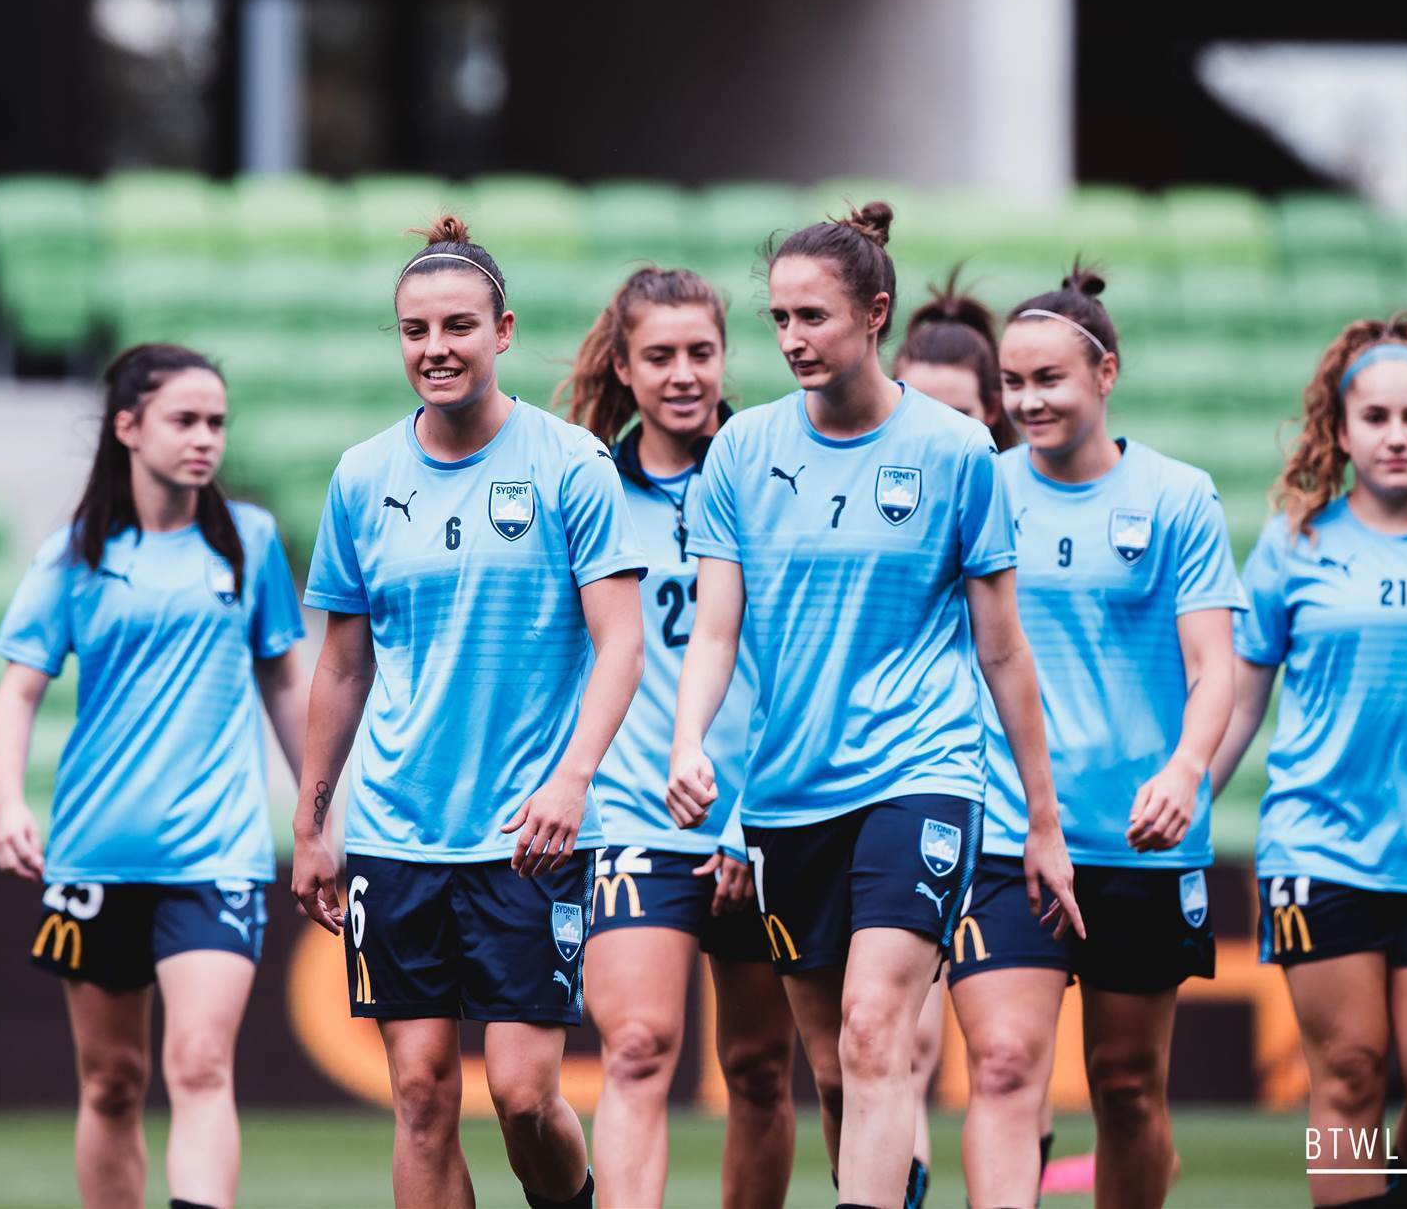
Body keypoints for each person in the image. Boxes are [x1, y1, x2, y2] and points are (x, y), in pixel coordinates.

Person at [667, 202, 1082, 1209]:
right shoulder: (740, 452)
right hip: (784, 796)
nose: (793, 339)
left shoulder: (951, 453)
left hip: (919, 777)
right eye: (778, 319)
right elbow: (715, 628)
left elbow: (1001, 649)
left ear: (874, 314)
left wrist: (1039, 818)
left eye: (813, 315)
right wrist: (687, 743)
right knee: (836, 1066)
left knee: (872, 1026)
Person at [290, 215, 645, 1209]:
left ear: (502, 331)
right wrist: (312, 822)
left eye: (455, 326)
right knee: (417, 1093)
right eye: (414, 330)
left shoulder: (570, 465)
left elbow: (621, 639)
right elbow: (343, 663)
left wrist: (571, 778)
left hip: (526, 834)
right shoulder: (362, 477)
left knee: (525, 1093)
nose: (434, 349)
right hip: (399, 829)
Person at [0, 343, 308, 1209]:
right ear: (128, 426)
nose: (206, 438)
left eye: (217, 422)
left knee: (200, 1063)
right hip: (95, 857)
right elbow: (17, 692)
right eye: (185, 420)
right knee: (114, 1081)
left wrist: (317, 810)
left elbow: (285, 679)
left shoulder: (251, 541)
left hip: (217, 856)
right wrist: (12, 803)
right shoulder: (74, 556)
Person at [947, 267, 1242, 1209]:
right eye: (1013, 384)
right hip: (1005, 833)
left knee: (1125, 1089)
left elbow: (1216, 669)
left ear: (1104, 372)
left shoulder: (1178, 497)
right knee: (1000, 1066)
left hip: (1137, 840)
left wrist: (1187, 769)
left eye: (1050, 380)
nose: (1026, 401)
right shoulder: (980, 490)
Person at [555, 266, 797, 1209]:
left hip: (767, 810)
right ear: (624, 364)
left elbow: (798, 660)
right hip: (634, 813)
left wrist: (750, 817)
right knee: (639, 1050)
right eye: (660, 355)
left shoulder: (778, 479)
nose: (684, 373)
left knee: (760, 1069)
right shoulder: (587, 489)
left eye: (702, 351)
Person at [1211, 314, 1407, 1204]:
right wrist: (1188, 804)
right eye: (1376, 416)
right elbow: (1242, 699)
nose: (1399, 435)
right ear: (1340, 428)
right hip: (1320, 847)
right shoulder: (1295, 546)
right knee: (1352, 1073)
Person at [886, 270, 1018, 1204]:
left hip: (1071, 820)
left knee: (1126, 1089)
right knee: (929, 1045)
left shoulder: (1014, 499)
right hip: (942, 803)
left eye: (958, 413)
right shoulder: (868, 504)